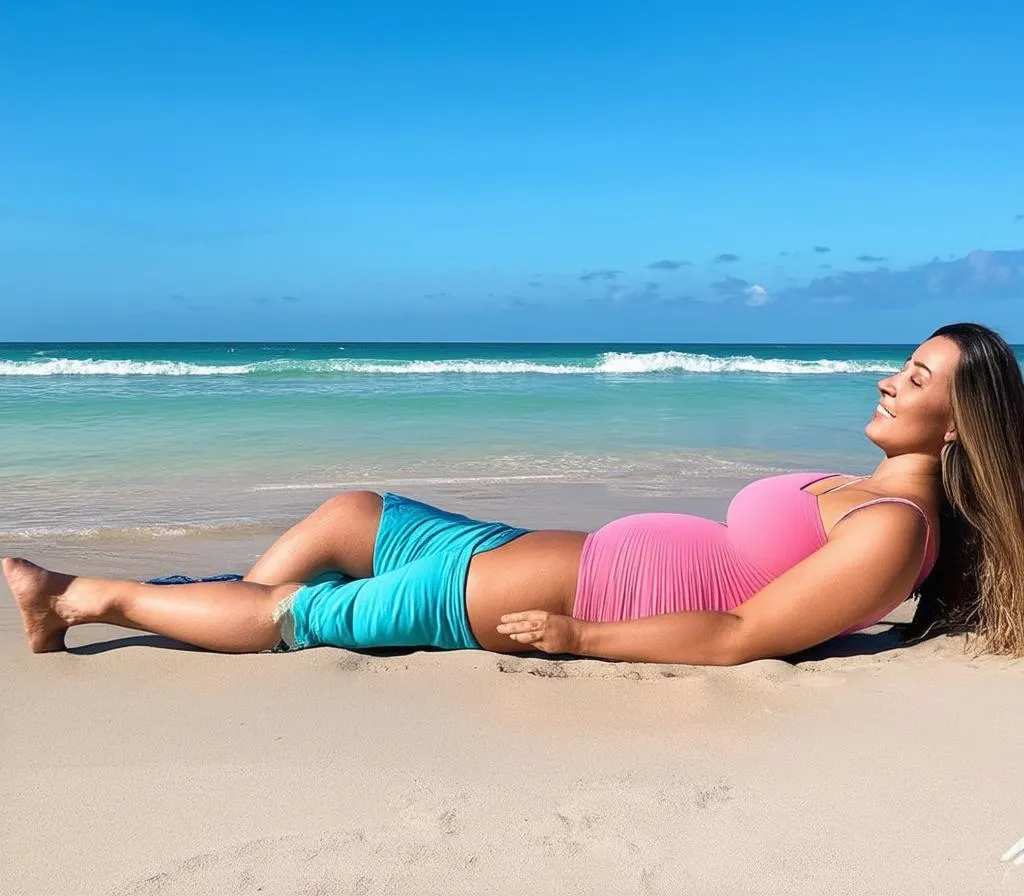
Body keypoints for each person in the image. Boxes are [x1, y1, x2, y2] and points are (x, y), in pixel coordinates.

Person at [5, 322, 1024, 664]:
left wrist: (584, 641)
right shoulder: (856, 489)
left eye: (918, 378)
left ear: (959, 421)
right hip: (531, 545)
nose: (889, 379)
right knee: (350, 511)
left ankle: (94, 597)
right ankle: (213, 613)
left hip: (545, 597)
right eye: (901, 363)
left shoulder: (895, 529)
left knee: (290, 613)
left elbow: (738, 633)